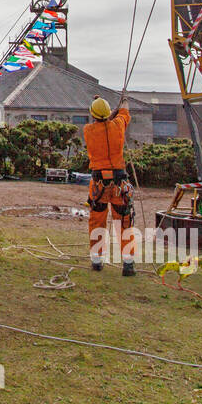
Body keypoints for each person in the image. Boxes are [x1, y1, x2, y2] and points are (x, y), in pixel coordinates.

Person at [83, 95, 135, 275]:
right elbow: (124, 113)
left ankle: (97, 261)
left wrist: (104, 107)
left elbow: (104, 122)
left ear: (93, 115)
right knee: (124, 223)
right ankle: (128, 263)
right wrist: (123, 101)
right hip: (120, 184)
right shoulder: (119, 126)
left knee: (97, 222)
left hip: (99, 185)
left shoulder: (88, 130)